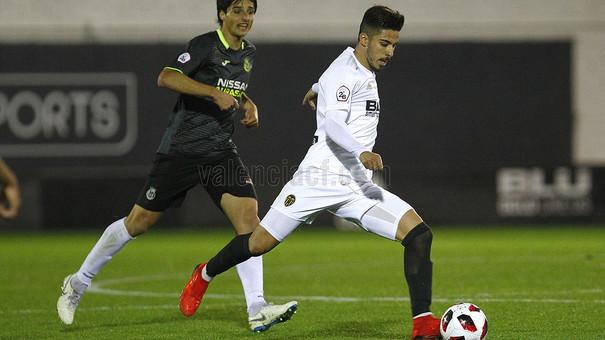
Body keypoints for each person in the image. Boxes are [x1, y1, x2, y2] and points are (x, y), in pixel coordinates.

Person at [179, 5, 442, 339]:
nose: (390, 52)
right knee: (258, 242)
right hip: (317, 179)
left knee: (419, 235)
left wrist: (316, 89)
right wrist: (360, 149)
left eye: (394, 45)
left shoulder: (354, 71)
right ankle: (204, 274)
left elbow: (331, 88)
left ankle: (422, 325)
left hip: (355, 186)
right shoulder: (344, 73)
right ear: (364, 39)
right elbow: (333, 124)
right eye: (384, 44)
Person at [57, 0, 297, 332]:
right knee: (137, 223)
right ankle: (78, 283)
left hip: (220, 153)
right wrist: (213, 93)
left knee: (250, 226)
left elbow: (232, 91)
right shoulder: (204, 45)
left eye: (251, 10)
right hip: (181, 151)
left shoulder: (249, 53)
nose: (246, 17)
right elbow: (167, 77)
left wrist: (248, 103)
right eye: (238, 10)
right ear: (222, 14)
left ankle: (257, 307)